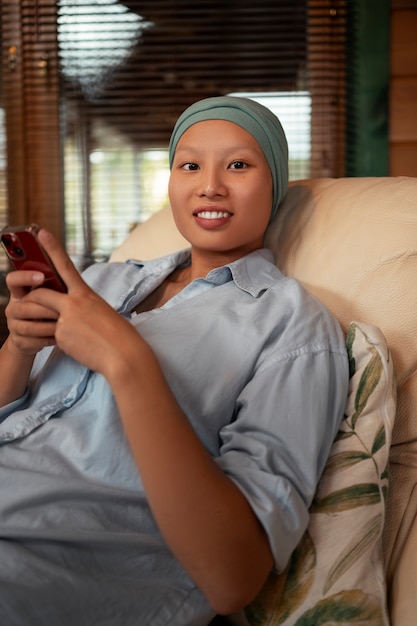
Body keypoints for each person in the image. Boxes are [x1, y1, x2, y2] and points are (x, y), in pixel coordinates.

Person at [0, 96, 349, 625]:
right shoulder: (102, 279)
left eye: (238, 164)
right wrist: (18, 349)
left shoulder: (294, 326)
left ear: (273, 185)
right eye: (189, 165)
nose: (209, 185)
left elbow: (234, 577)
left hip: (49, 568)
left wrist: (128, 361)